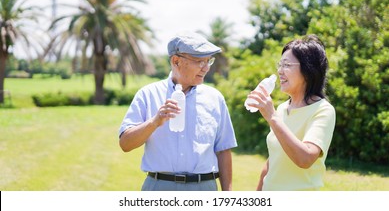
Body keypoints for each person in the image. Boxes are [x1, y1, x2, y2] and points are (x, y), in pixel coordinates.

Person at [118, 32, 237, 191]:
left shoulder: (215, 98)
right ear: (176, 61)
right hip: (159, 188)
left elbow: (223, 150)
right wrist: (155, 122)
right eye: (200, 61)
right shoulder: (148, 94)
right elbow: (125, 144)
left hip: (205, 189)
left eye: (208, 61)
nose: (206, 68)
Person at [246, 34, 336, 191]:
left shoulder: (323, 110)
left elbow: (305, 158)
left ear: (308, 70)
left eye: (287, 65)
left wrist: (272, 117)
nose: (280, 71)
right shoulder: (281, 109)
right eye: (279, 65)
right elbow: (272, 162)